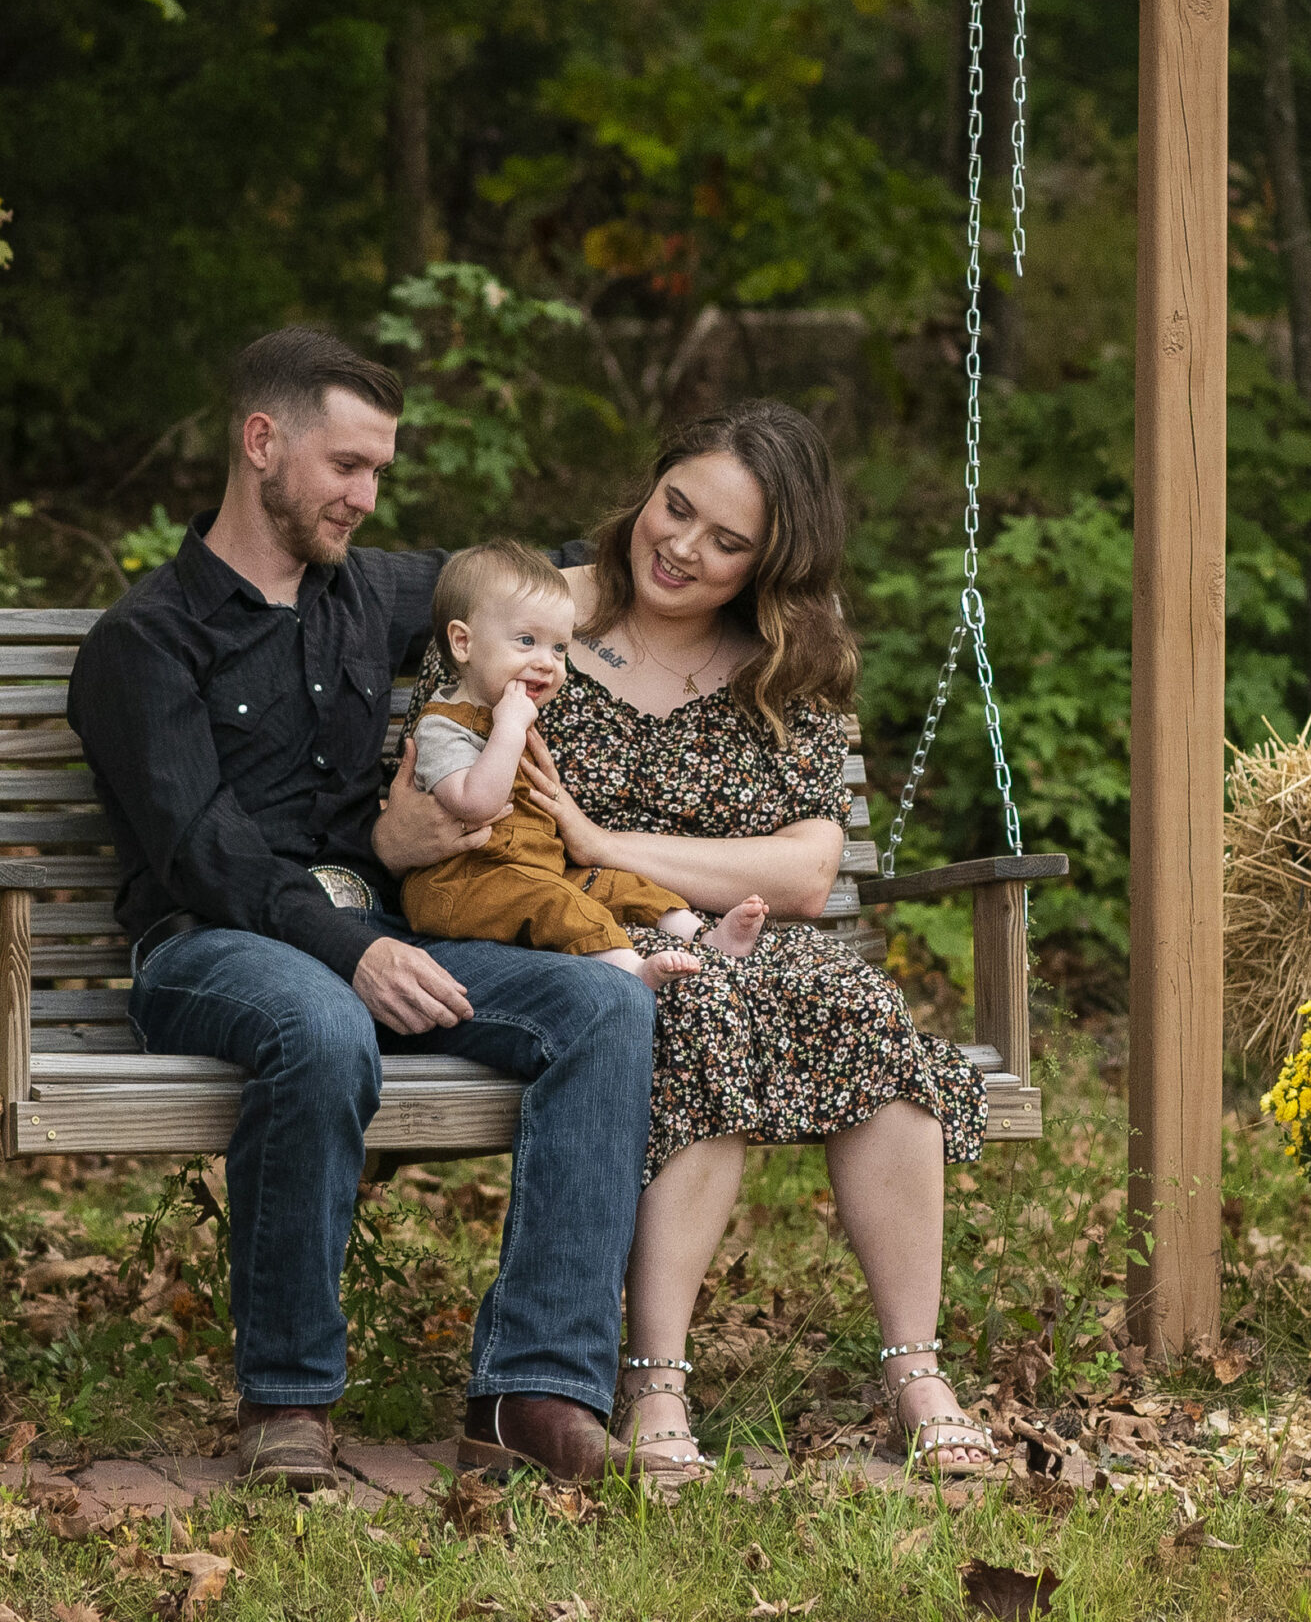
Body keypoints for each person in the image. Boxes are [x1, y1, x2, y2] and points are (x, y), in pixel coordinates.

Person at [68, 326, 688, 1491]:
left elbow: (544, 579)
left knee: (602, 1013)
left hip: (387, 941)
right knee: (320, 1022)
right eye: (347, 466)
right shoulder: (143, 644)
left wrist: (678, 526)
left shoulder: (377, 595)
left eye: (379, 473)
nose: (366, 495)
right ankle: (288, 1405)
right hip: (210, 950)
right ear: (262, 443)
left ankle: (533, 1393)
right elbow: (205, 857)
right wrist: (352, 950)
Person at [404, 401, 998, 1476]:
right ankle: (655, 1377)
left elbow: (807, 872)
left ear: (770, 562)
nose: (683, 548)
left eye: (727, 544)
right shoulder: (534, 620)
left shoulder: (786, 659)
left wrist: (599, 830)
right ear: (649, 484)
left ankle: (916, 1367)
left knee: (862, 1005)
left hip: (740, 929)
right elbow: (440, 774)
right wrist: (616, 859)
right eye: (675, 509)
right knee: (694, 1000)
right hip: (569, 935)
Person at [401, 538, 769, 989]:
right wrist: (510, 729)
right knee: (557, 902)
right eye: (526, 641)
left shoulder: (511, 713)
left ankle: (705, 936)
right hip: (460, 887)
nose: (547, 663)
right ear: (463, 642)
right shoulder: (444, 726)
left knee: (616, 883)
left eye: (559, 648)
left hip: (531, 873)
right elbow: (475, 803)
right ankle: (630, 969)